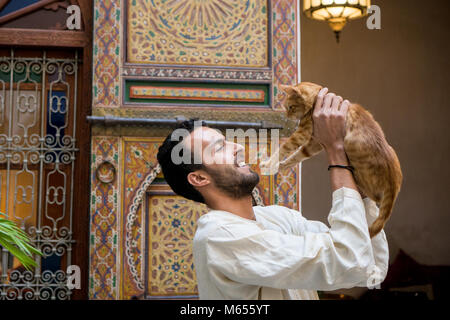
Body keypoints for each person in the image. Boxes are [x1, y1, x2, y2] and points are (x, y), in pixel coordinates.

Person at [156, 88, 389, 299]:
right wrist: (335, 151)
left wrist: (361, 181)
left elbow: (369, 268)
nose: (237, 147)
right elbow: (346, 261)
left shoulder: (278, 218)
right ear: (199, 178)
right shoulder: (219, 236)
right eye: (219, 147)